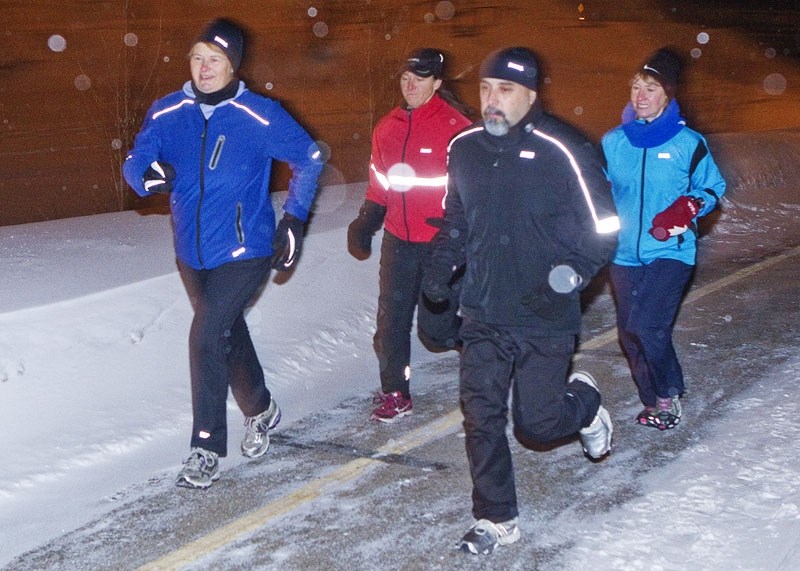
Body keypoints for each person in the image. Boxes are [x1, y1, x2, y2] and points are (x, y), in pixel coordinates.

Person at [422, 47, 620, 555]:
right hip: (484, 310)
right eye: (486, 88)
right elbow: (457, 218)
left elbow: (604, 228)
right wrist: (441, 267)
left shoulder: (566, 148)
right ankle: (496, 517)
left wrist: (571, 274)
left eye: (505, 90)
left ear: (531, 96)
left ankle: (586, 404)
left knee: (537, 424)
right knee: (480, 414)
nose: (492, 100)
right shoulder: (464, 147)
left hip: (545, 313)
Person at [123, 18, 323, 489]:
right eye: (197, 57)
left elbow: (309, 157)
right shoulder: (168, 111)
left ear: (232, 65)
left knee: (205, 336)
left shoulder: (259, 114)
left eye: (214, 59)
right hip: (191, 252)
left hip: (245, 247)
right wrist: (142, 175)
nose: (203, 67)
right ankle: (261, 408)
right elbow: (136, 156)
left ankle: (205, 446)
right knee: (223, 331)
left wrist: (294, 218)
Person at [601, 48, 726, 430]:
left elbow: (713, 188)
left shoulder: (689, 144)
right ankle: (650, 397)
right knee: (629, 333)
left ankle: (668, 395)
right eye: (636, 87)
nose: (641, 95)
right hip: (623, 254)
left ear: (667, 95)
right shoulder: (613, 142)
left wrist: (692, 204)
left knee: (648, 324)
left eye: (651, 88)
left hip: (671, 250)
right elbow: (597, 193)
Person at [347, 48, 472, 423]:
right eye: (405, 78)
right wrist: (366, 221)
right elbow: (380, 184)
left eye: (419, 78)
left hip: (442, 242)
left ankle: (477, 340)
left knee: (435, 332)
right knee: (390, 322)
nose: (410, 85)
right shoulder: (387, 127)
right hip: (398, 240)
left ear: (437, 82)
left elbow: (470, 192)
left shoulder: (458, 129)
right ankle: (396, 393)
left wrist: (459, 237)